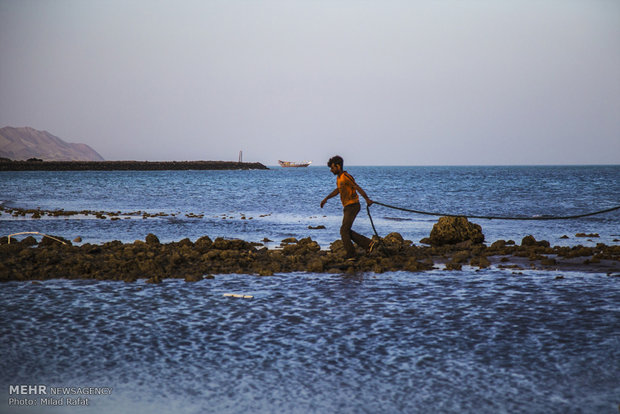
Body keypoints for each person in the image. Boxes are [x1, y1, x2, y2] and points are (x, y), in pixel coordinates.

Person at [320, 155, 376, 260]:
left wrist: (367, 199)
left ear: (338, 166)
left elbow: (357, 187)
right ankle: (368, 244)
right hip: (347, 206)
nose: (331, 170)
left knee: (344, 230)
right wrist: (326, 198)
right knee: (346, 230)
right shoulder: (339, 178)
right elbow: (338, 190)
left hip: (353, 205)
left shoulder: (346, 176)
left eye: (332, 168)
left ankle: (351, 254)